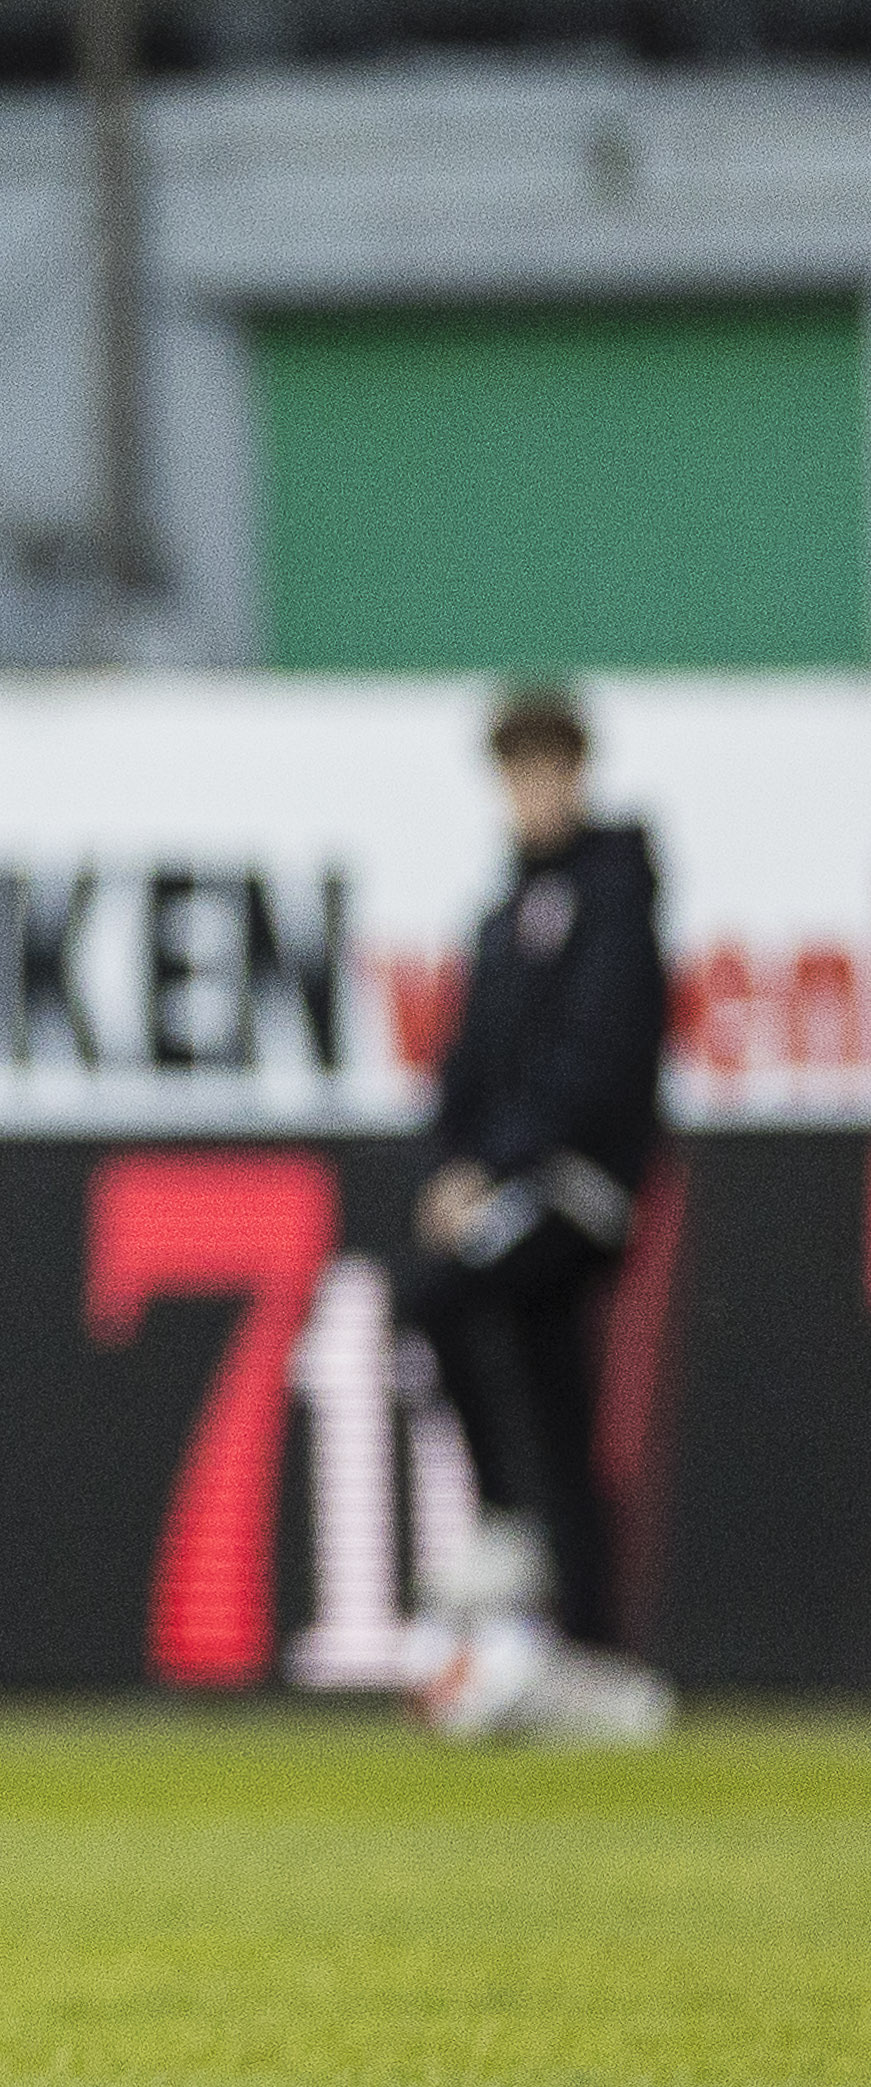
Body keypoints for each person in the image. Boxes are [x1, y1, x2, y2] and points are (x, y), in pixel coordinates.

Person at [399, 685, 675, 1746]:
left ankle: (505, 1529)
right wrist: (449, 1164)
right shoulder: (504, 914)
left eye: (548, 770)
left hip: (577, 1188)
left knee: (436, 1296)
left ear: (577, 774)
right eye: (516, 773)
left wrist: (498, 1164)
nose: (532, 793)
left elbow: (597, 1065)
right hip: (513, 1183)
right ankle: (601, 1658)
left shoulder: (612, 899)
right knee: (560, 1413)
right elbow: (466, 1066)